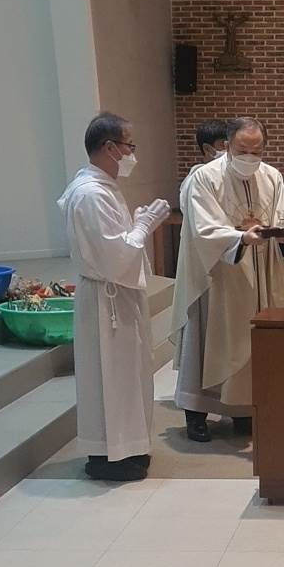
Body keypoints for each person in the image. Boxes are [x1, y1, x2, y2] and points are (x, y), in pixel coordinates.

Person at [170, 116, 284, 443]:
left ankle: (244, 410)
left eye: (257, 151)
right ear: (227, 145)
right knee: (208, 339)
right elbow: (204, 228)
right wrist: (240, 237)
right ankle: (196, 412)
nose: (250, 157)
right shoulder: (205, 177)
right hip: (219, 275)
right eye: (243, 150)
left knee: (254, 342)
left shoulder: (271, 176)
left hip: (260, 273)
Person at [58, 113, 171, 481]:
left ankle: (127, 447)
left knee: (125, 374)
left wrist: (136, 225)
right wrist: (143, 226)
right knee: (112, 376)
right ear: (110, 148)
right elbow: (114, 257)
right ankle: (109, 455)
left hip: (115, 296)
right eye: (129, 146)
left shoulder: (103, 187)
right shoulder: (91, 194)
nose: (132, 154)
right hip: (105, 298)